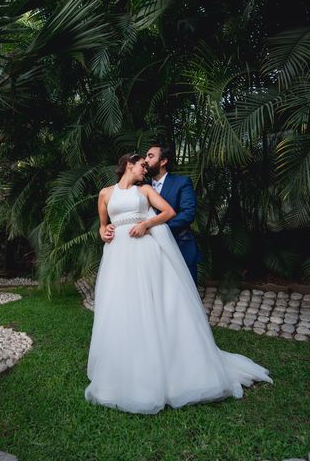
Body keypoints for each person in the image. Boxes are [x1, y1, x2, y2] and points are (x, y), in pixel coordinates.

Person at [84, 153, 272, 415]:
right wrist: (103, 232)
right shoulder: (105, 193)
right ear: (129, 164)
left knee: (153, 304)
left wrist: (146, 224)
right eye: (141, 166)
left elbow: (169, 212)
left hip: (145, 251)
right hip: (118, 257)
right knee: (122, 307)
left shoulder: (145, 190)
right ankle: (125, 367)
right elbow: (103, 226)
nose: (144, 170)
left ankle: (165, 366)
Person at [145, 144, 202, 282]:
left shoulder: (182, 182)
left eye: (150, 156)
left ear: (163, 161)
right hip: (148, 249)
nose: (145, 160)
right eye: (146, 156)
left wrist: (156, 229)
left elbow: (187, 214)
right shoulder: (140, 187)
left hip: (180, 245)